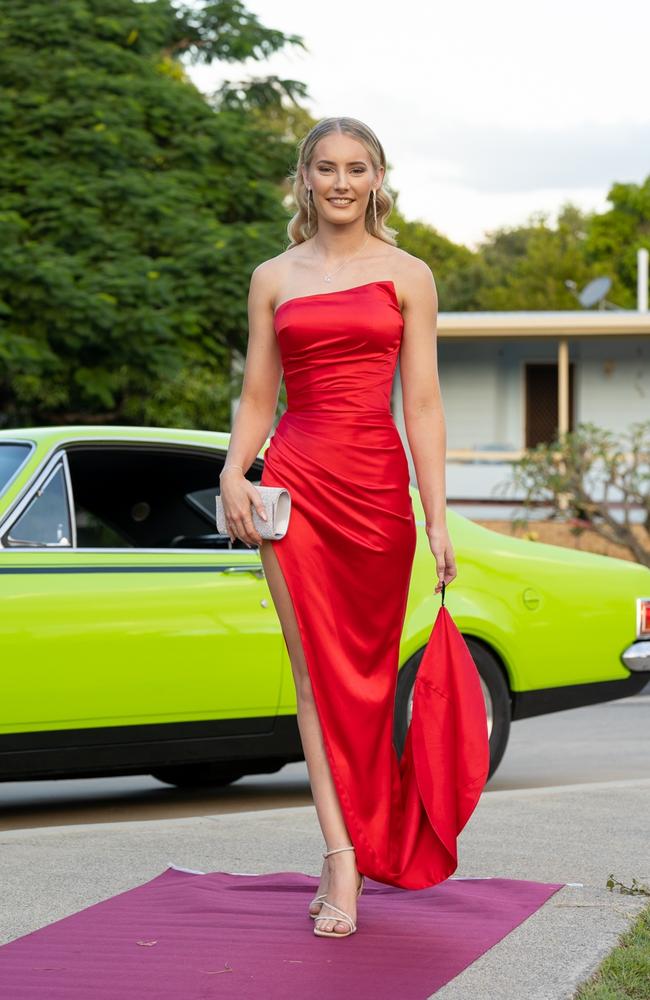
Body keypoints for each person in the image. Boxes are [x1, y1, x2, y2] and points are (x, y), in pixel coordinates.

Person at [218, 116, 457, 938]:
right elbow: (258, 395)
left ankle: (360, 838)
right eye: (327, 168)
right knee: (315, 677)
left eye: (358, 169)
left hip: (380, 494)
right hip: (297, 487)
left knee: (369, 680)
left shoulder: (409, 275)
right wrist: (231, 470)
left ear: (379, 179)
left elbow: (421, 402)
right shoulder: (272, 276)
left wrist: (438, 517)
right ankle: (342, 859)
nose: (343, 182)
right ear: (305, 178)